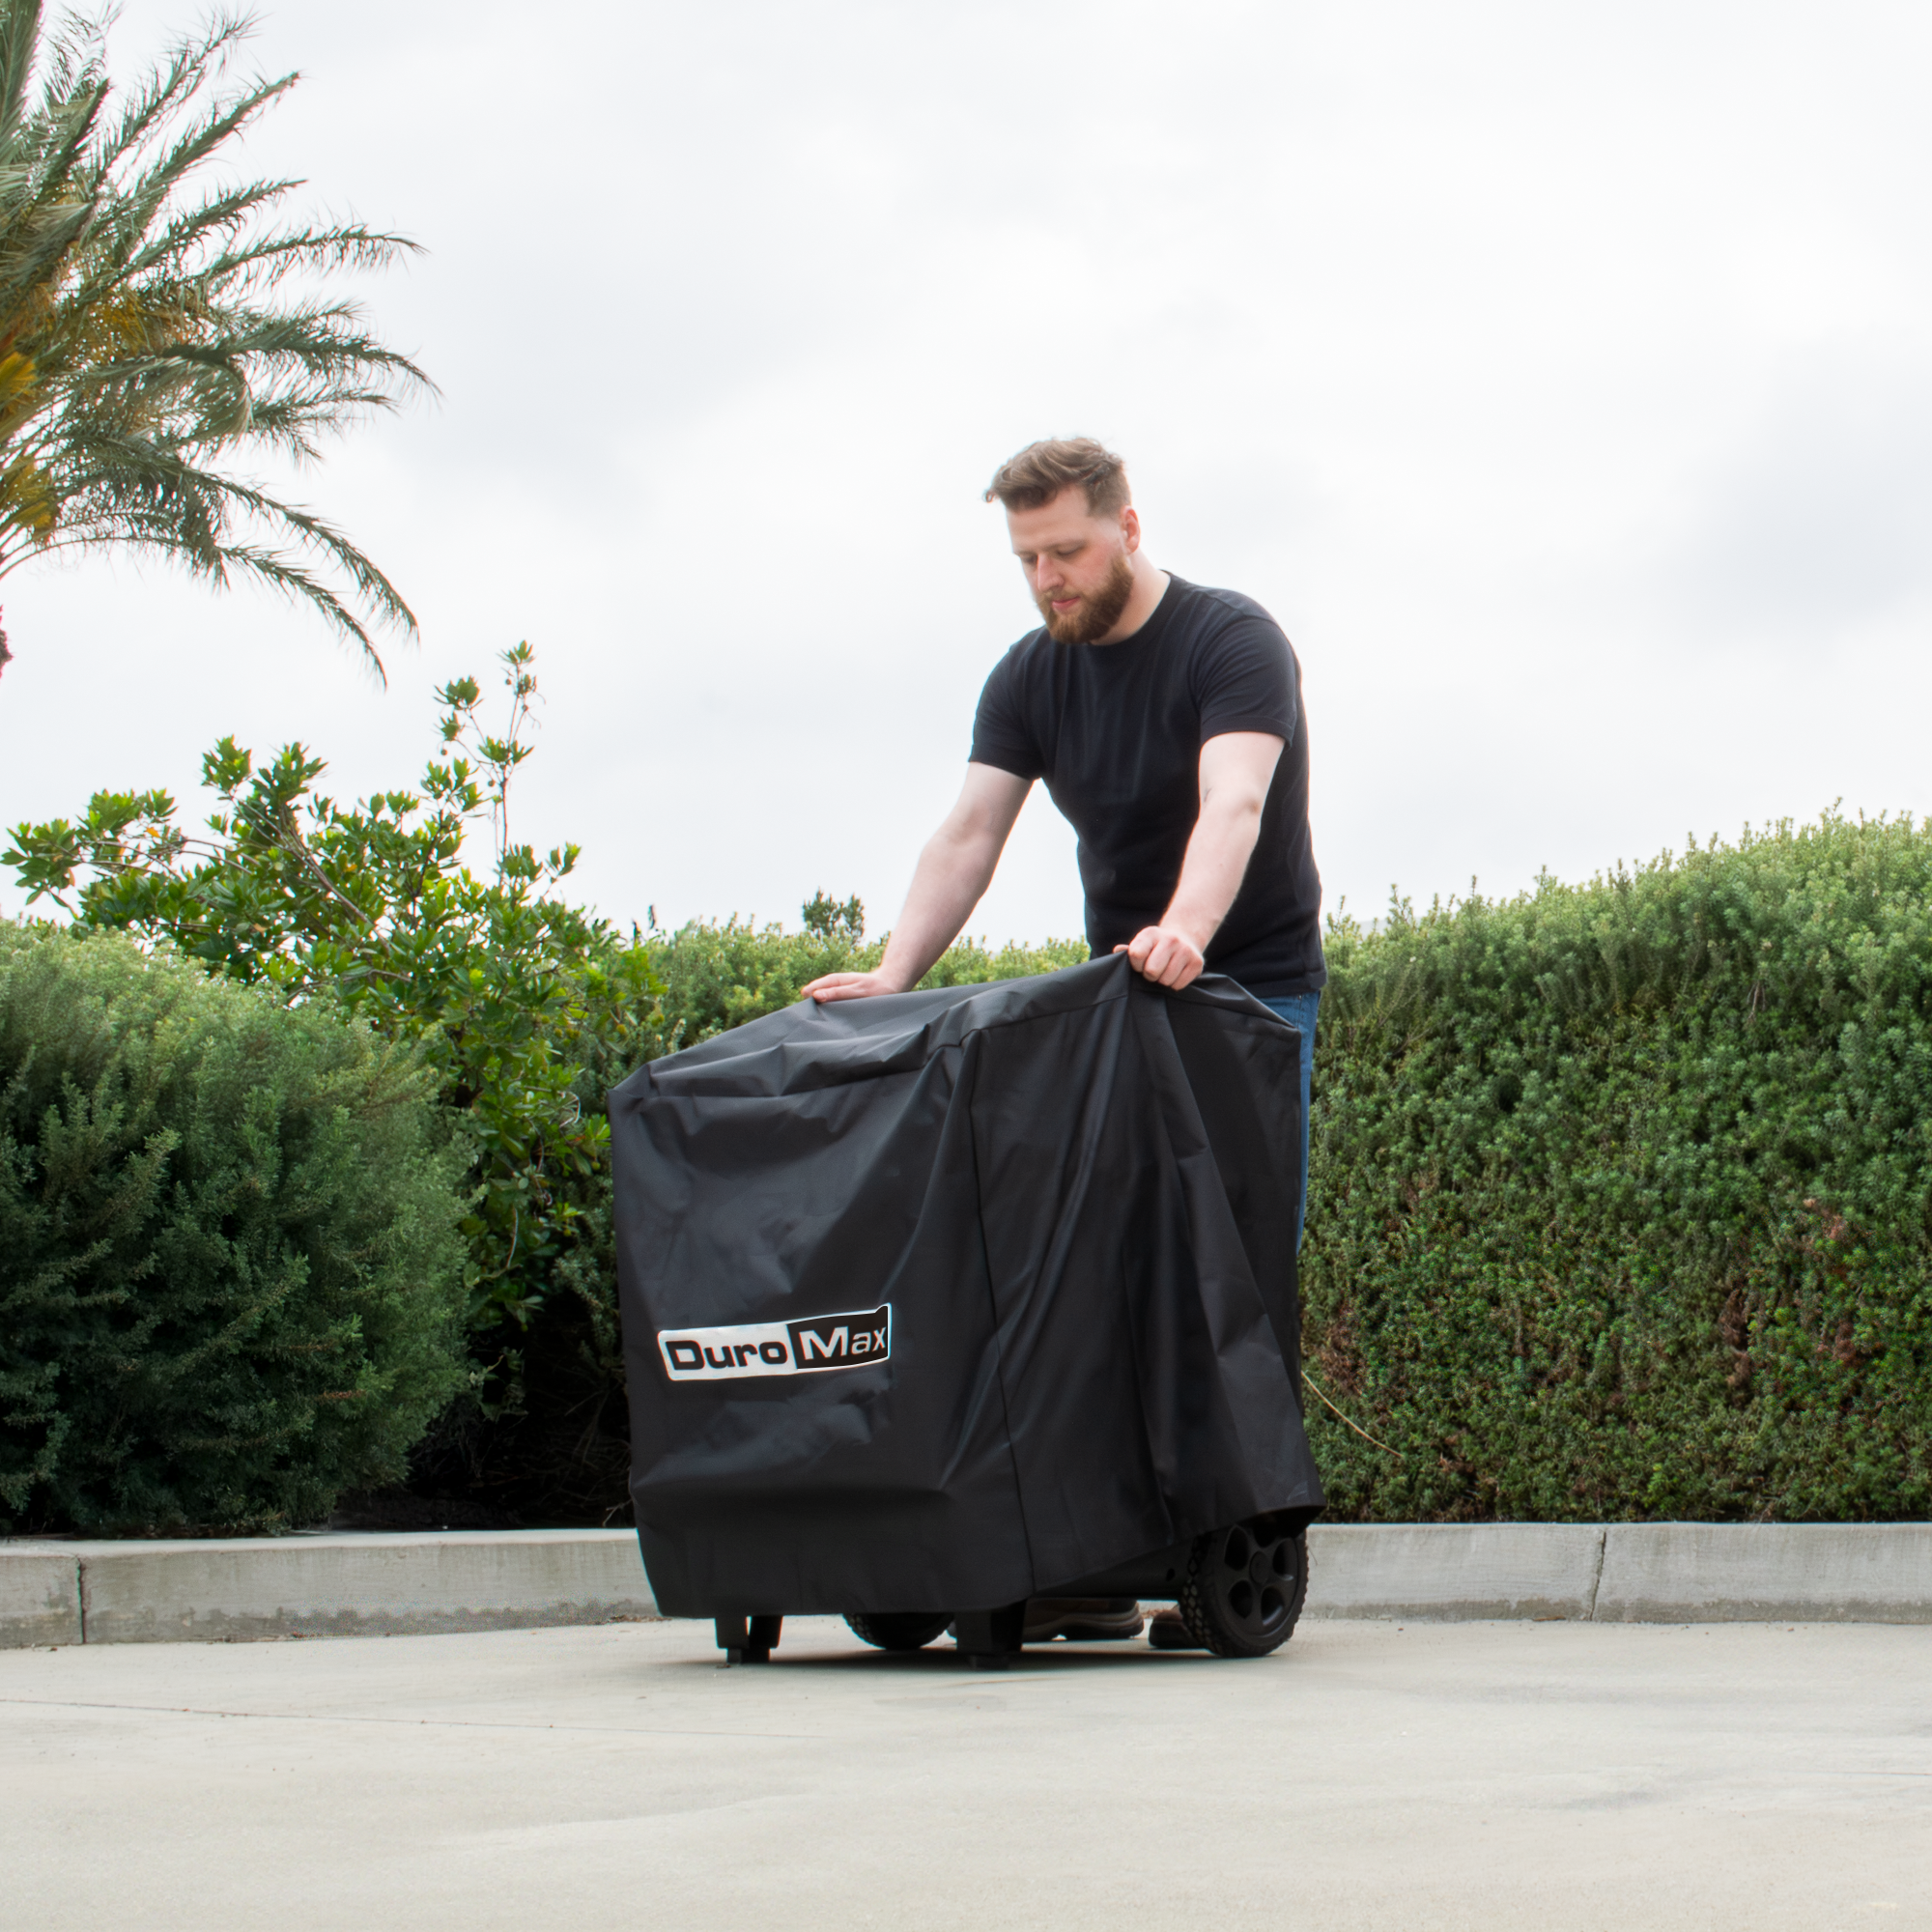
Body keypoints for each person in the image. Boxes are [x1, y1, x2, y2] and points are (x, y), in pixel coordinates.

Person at [801, 436, 1324, 1649]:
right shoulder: (1030, 676)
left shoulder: (1228, 640)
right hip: (1121, 999)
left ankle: (1225, 1545)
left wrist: (1186, 928)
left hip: (1247, 991)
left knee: (1230, 1265)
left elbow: (1234, 801)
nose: (1048, 579)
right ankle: (1088, 1558)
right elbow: (968, 834)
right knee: (1094, 1268)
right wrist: (892, 973)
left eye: (1067, 551)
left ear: (1127, 529)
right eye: (1027, 559)